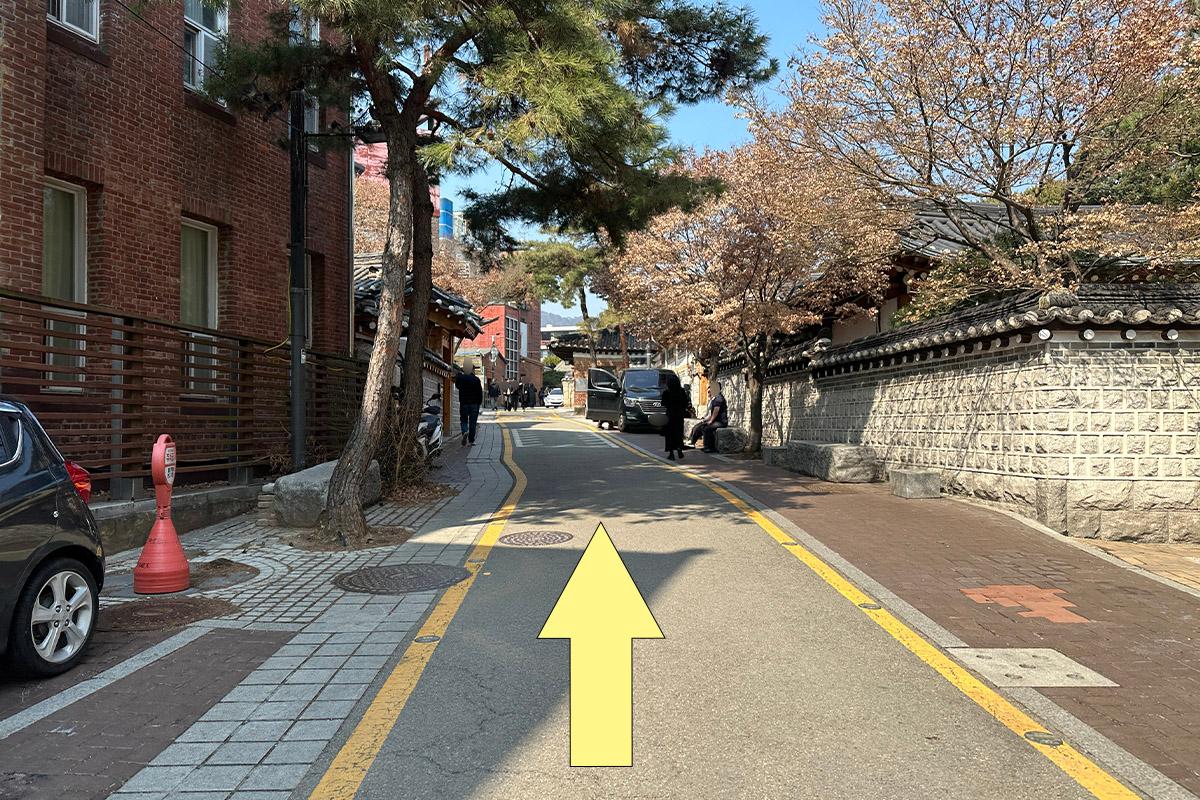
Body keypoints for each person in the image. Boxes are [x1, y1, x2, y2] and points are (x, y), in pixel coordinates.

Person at [690, 380, 728, 453]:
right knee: (701, 426)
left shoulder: (719, 398)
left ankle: (709, 448)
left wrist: (710, 421)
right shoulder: (715, 398)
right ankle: (693, 442)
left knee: (707, 428)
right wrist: (705, 420)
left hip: (721, 422)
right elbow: (711, 413)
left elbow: (716, 410)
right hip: (716, 420)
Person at [454, 361, 483, 446]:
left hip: (464, 403)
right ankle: (471, 440)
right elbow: (480, 393)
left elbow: (457, 386)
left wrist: (459, 375)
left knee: (463, 420)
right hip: (474, 404)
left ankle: (464, 431)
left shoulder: (461, 378)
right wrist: (479, 403)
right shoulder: (476, 380)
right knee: (473, 422)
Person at [661, 373, 688, 461]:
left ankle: (671, 453)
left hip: (669, 416)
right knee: (678, 433)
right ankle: (679, 449)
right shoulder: (682, 391)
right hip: (679, 416)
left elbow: (663, 403)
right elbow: (686, 403)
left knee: (669, 435)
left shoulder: (666, 392)